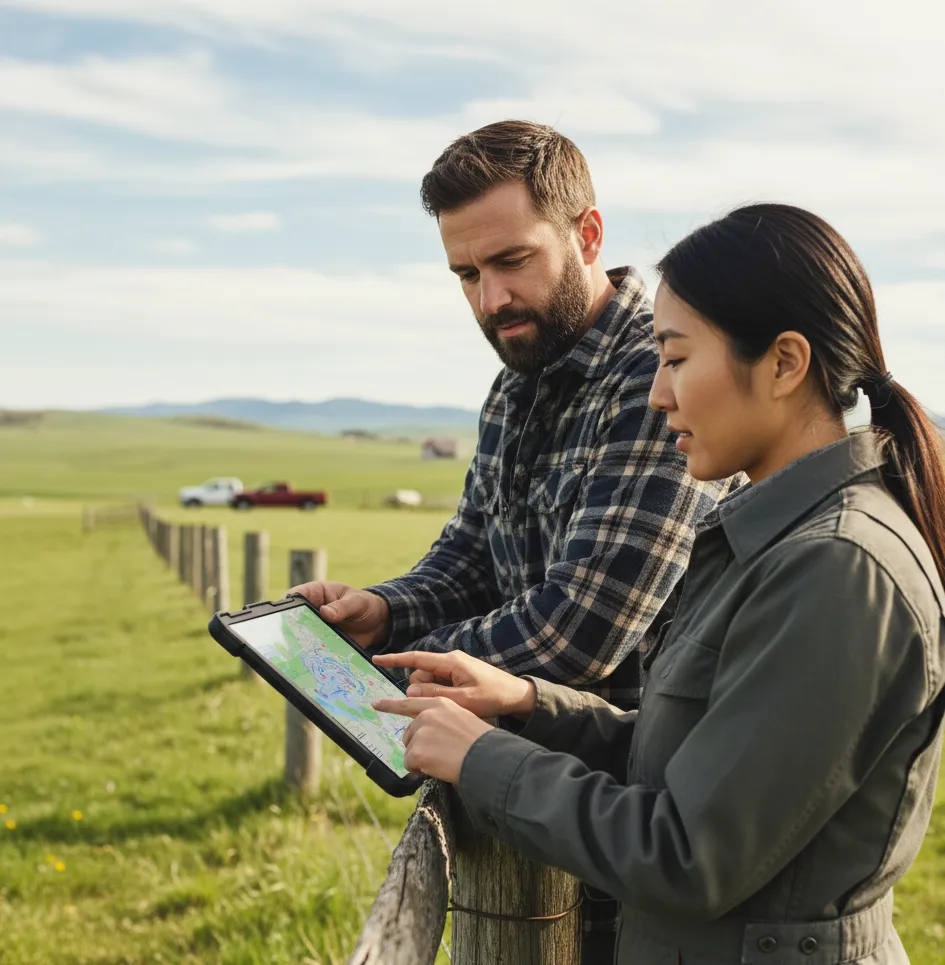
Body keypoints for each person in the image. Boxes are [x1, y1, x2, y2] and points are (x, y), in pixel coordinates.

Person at [371, 203, 945, 965]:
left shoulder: (837, 569)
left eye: (675, 359)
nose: (657, 394)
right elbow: (686, 758)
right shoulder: (771, 539)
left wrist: (482, 758)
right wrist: (528, 704)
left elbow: (686, 852)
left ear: (782, 363)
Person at [293, 122, 731, 955]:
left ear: (587, 235)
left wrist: (383, 677)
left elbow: (582, 627)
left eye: (510, 261)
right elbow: (469, 553)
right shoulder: (513, 385)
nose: (489, 299)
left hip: (635, 808)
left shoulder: (656, 374)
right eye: (465, 273)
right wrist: (379, 612)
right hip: (541, 790)